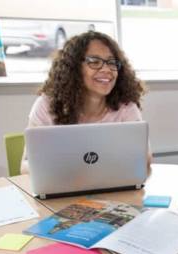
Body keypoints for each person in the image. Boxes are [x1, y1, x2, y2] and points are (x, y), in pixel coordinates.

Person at [20, 31, 151, 174]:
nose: (106, 69)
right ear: (75, 67)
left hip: (112, 191)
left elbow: (145, 158)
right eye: (95, 62)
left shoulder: (126, 108)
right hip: (61, 192)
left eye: (111, 62)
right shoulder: (46, 105)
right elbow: (25, 166)